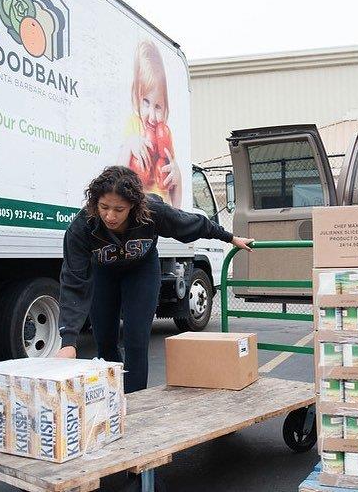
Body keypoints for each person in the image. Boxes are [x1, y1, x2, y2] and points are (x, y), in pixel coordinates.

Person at [55, 165, 253, 393]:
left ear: (133, 206)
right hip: (103, 273)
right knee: (105, 340)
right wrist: (68, 341)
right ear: (95, 203)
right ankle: (111, 398)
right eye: (104, 207)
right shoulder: (82, 226)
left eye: (119, 209)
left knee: (136, 339)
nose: (110, 216)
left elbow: (191, 223)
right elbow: (73, 281)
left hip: (141, 271)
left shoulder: (152, 212)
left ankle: (136, 399)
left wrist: (229, 237)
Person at [121, 40, 182, 207]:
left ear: (166, 107)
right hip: (140, 212)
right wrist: (129, 145)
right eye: (146, 102)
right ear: (136, 96)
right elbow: (116, 177)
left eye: (158, 107)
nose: (152, 116)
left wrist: (178, 178)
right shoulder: (134, 125)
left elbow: (178, 207)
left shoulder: (165, 134)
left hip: (163, 216)